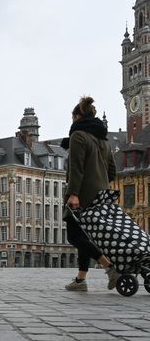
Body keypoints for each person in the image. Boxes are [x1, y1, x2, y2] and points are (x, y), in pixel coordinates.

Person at [62, 96, 119, 291]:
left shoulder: (78, 135)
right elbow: (112, 171)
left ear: (77, 116)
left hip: (82, 193)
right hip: (102, 193)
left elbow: (76, 167)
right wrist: (101, 183)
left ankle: (109, 267)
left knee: (74, 237)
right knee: (84, 236)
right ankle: (80, 280)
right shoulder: (104, 140)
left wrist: (74, 193)